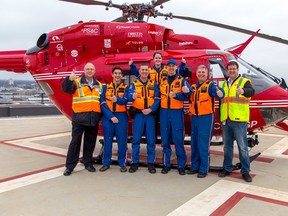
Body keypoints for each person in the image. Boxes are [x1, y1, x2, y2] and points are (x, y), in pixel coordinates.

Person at [62, 63, 102, 176]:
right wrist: (69, 79)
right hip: (79, 119)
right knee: (75, 143)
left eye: (91, 69)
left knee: (90, 143)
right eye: (87, 69)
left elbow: (101, 102)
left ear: (94, 71)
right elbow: (66, 89)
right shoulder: (76, 82)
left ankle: (88, 162)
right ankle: (70, 166)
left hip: (93, 119)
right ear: (84, 71)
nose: (89, 71)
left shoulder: (99, 85)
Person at [218, 61, 255, 182]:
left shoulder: (244, 82)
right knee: (227, 147)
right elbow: (221, 101)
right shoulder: (223, 84)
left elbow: (251, 92)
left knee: (242, 147)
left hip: (239, 120)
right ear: (227, 70)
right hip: (226, 119)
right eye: (230, 69)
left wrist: (243, 91)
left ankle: (245, 171)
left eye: (234, 68)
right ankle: (227, 168)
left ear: (237, 69)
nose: (232, 71)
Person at [187, 65, 224, 178]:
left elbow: (220, 93)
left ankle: (204, 168)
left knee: (203, 144)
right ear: (196, 74)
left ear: (207, 74)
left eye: (203, 72)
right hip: (195, 118)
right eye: (199, 72)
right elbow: (185, 95)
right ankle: (195, 166)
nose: (201, 74)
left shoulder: (211, 86)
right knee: (194, 143)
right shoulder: (193, 87)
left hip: (206, 118)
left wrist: (220, 93)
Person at [159, 58, 192, 175]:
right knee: (165, 139)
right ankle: (166, 164)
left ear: (176, 68)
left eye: (173, 66)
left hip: (177, 113)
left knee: (178, 140)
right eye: (169, 66)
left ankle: (181, 165)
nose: (171, 68)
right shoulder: (162, 81)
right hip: (164, 113)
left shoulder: (181, 81)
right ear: (166, 68)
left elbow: (189, 94)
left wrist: (178, 94)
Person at [127, 64, 160, 174]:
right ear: (139, 72)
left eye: (146, 70)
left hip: (150, 115)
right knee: (136, 139)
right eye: (143, 70)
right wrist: (132, 96)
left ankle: (151, 163)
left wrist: (151, 109)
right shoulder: (134, 84)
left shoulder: (153, 84)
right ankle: (134, 162)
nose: (144, 72)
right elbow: (128, 95)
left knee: (151, 140)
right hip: (139, 115)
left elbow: (157, 99)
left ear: (148, 72)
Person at [99, 66, 129, 173]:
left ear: (122, 75)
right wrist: (111, 116)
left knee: (122, 142)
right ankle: (106, 163)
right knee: (108, 141)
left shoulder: (126, 88)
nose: (117, 75)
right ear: (112, 75)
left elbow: (125, 100)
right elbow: (102, 103)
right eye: (115, 73)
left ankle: (122, 163)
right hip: (108, 117)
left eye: (119, 73)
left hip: (121, 117)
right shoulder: (105, 88)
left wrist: (117, 99)